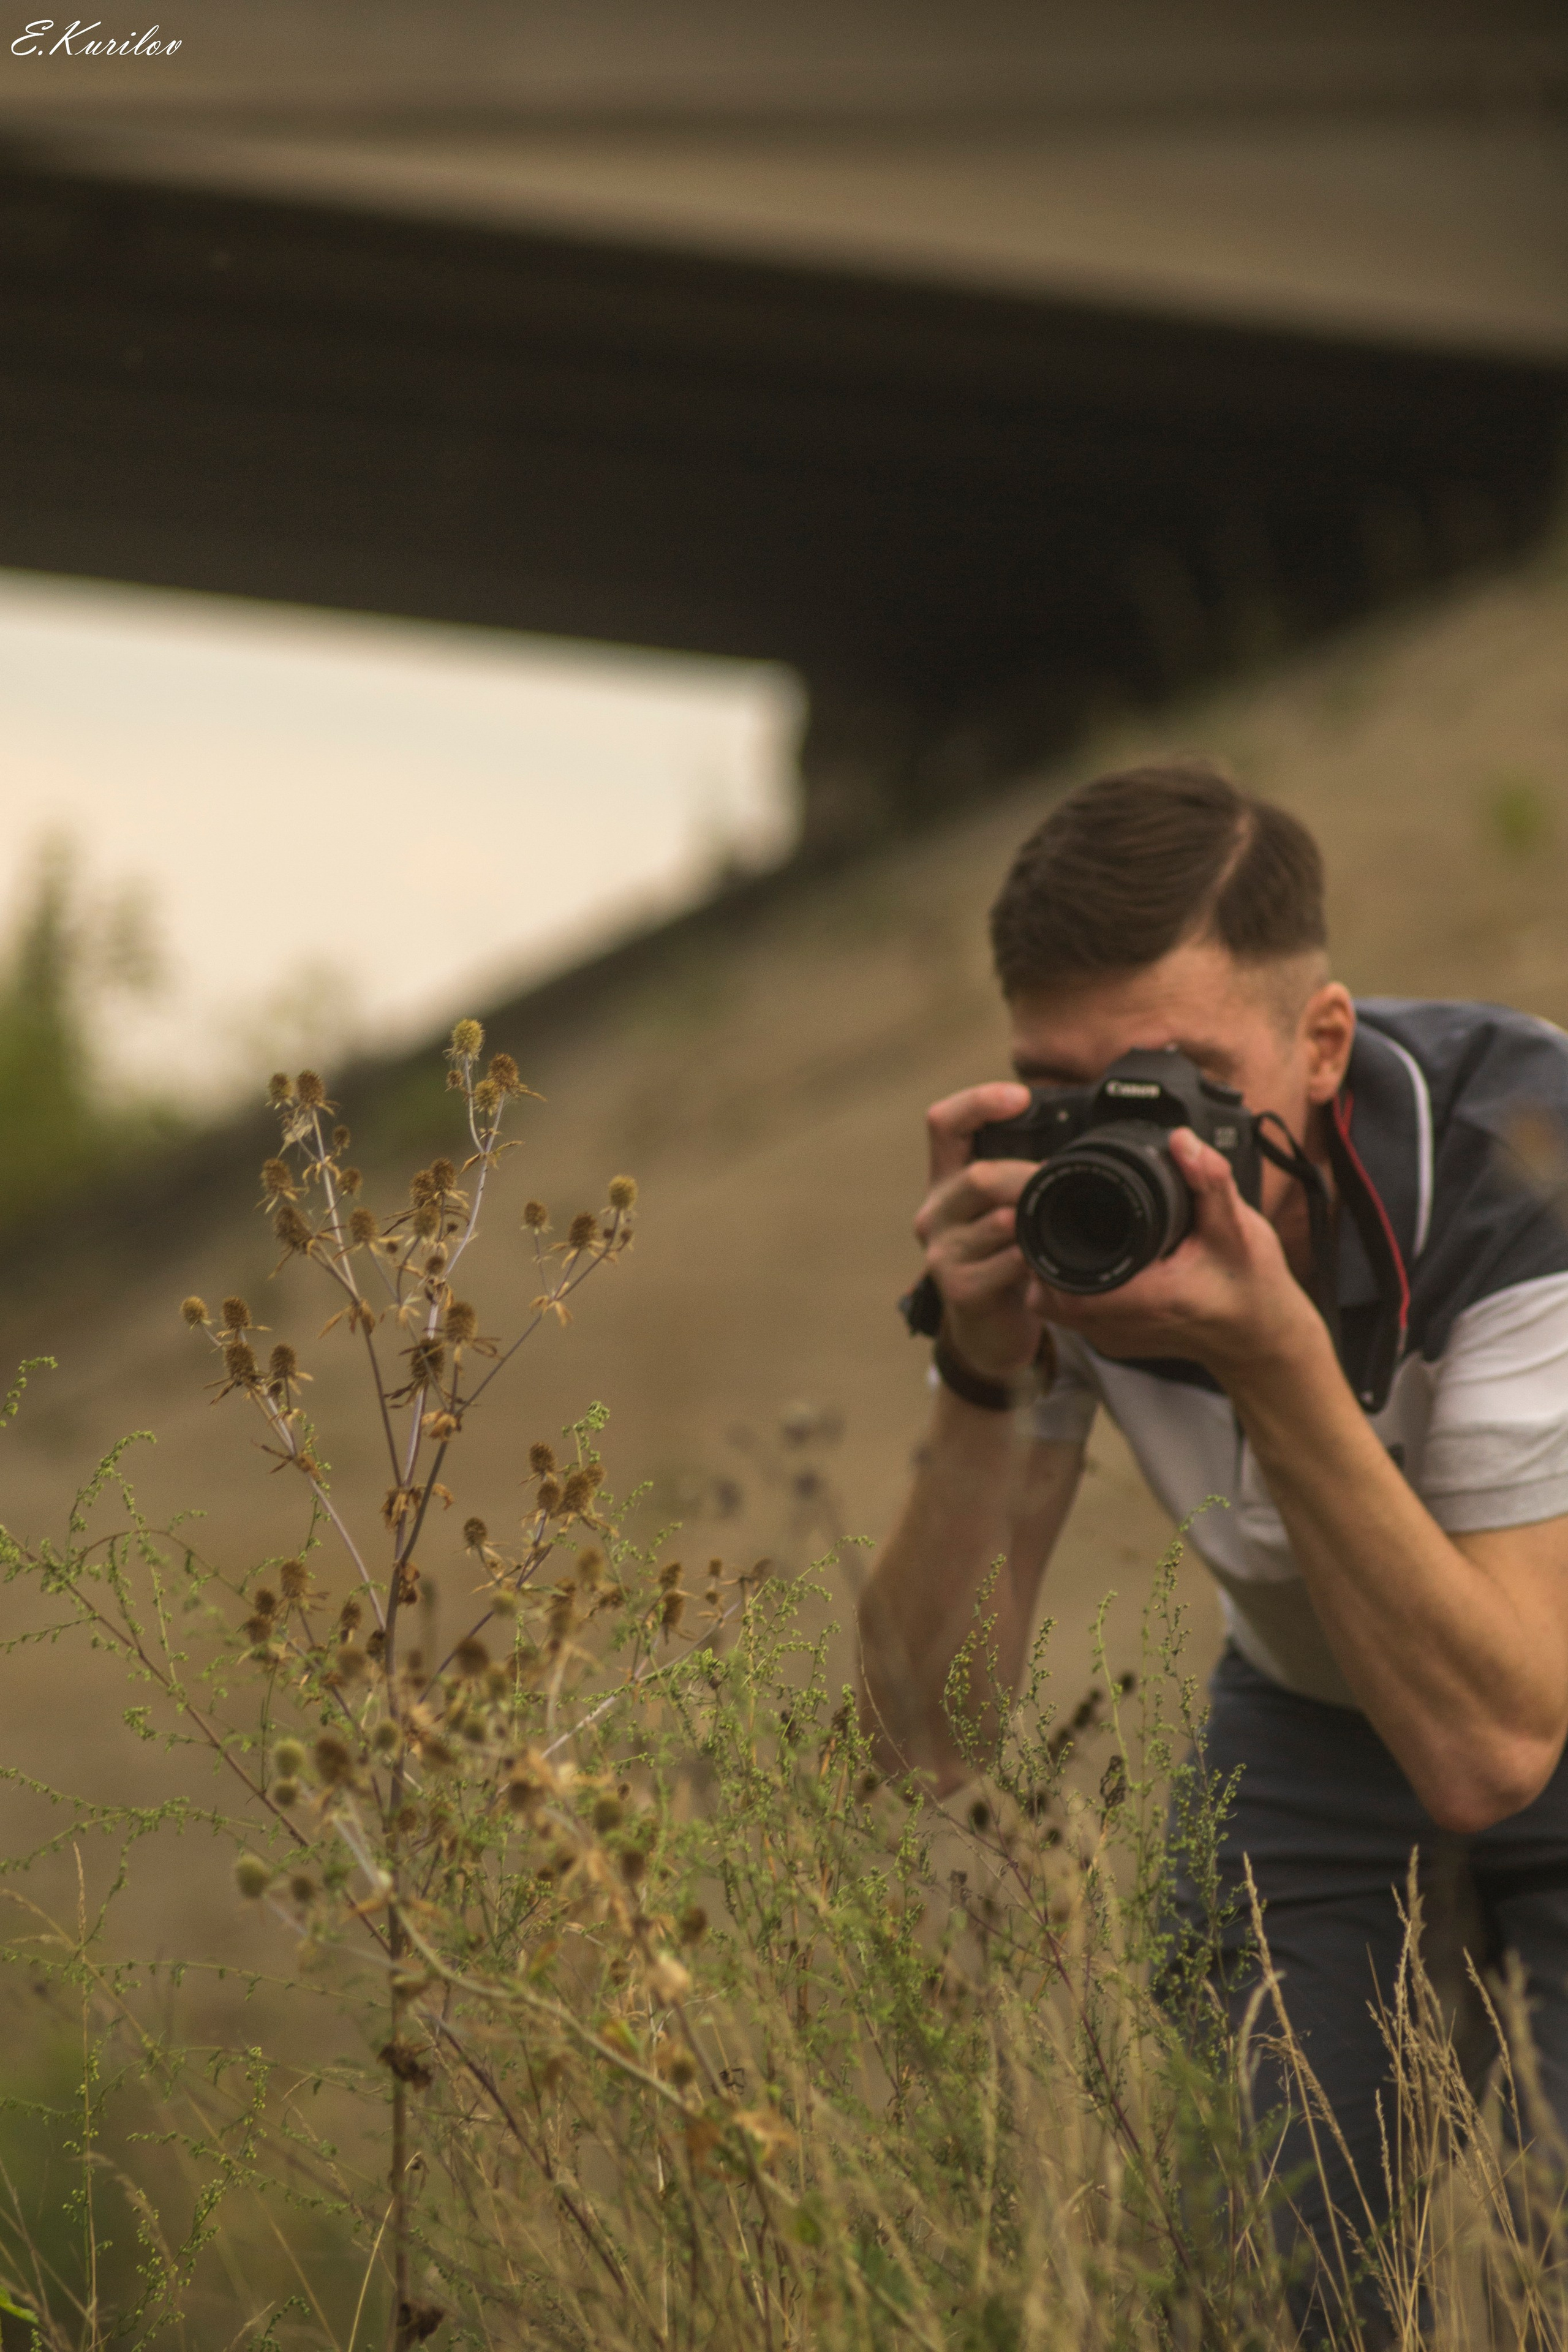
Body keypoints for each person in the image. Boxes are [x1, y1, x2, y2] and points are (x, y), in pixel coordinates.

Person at [857, 758, 1568, 2310]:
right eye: (1063, 1083)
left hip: (1526, 1687)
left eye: (1171, 1080)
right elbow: (927, 1726)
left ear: (1320, 1044)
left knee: (1550, 2266)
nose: (1124, 1137)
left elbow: (1492, 1748)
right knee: (1259, 2264)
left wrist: (1271, 1355)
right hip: (1312, 1711)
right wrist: (982, 1369)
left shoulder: (1522, 1165)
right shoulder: (1066, 1216)